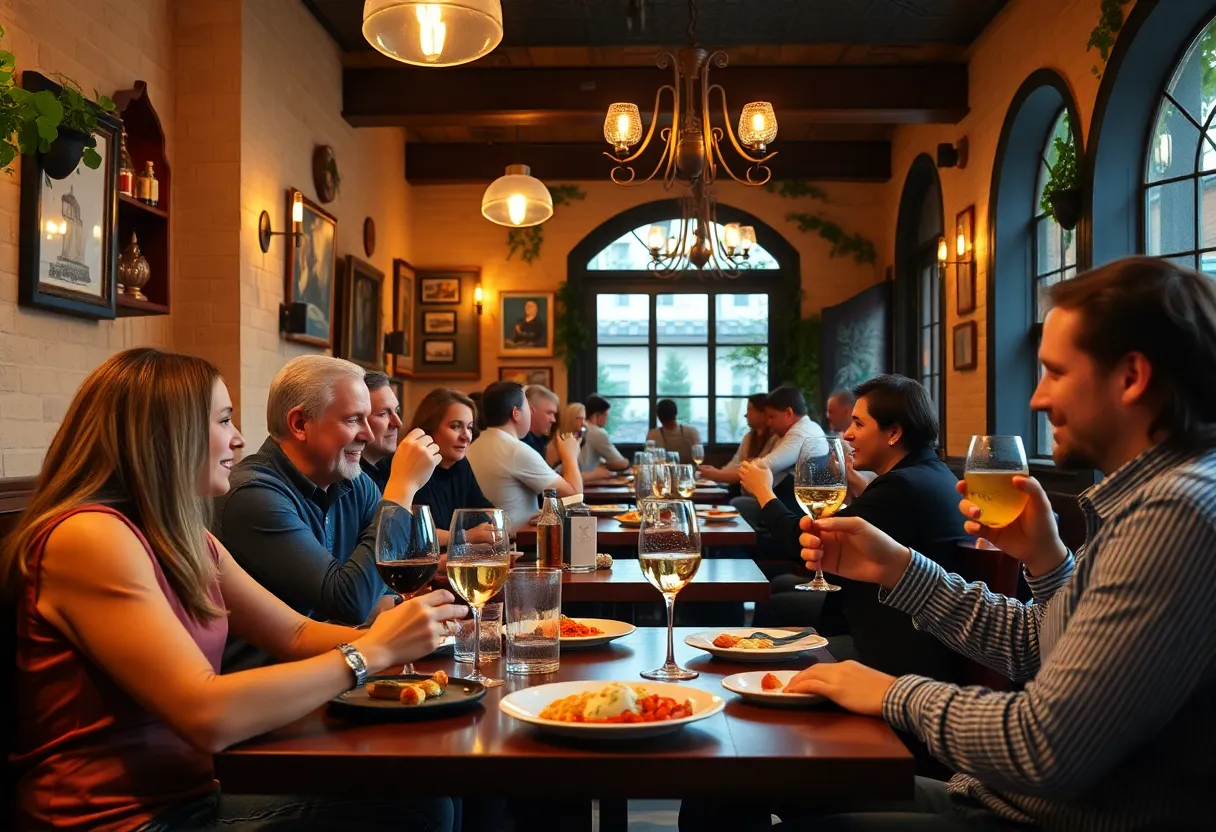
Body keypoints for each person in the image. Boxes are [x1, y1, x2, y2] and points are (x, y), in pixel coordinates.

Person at [737, 257, 1216, 829]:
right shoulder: (1156, 496)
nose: (1037, 399)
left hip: (1041, 817)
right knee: (737, 779)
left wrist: (890, 692)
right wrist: (906, 569)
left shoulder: (1176, 511)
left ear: (1132, 377)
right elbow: (1039, 647)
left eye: (1056, 372)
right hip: (996, 798)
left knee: (740, 782)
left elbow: (1046, 747)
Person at [4, 347, 463, 832]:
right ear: (165, 435)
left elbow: (295, 633)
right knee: (417, 806)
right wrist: (369, 653)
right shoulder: (89, 537)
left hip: (194, 793)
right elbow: (206, 714)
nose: (239, 439)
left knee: (434, 788)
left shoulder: (185, 535)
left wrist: (407, 636)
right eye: (224, 420)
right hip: (120, 818)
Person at [213, 355, 442, 671]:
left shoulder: (354, 481)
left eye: (367, 418)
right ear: (299, 424)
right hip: (270, 691)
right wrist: (402, 488)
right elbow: (350, 601)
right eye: (352, 420)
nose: (369, 434)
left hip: (340, 670)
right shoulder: (251, 495)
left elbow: (383, 587)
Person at [744, 375, 968, 685]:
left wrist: (764, 492)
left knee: (771, 627)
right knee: (782, 588)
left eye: (859, 424)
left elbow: (806, 544)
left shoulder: (900, 487)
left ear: (893, 433)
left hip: (892, 663)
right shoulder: (934, 474)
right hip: (922, 646)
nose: (847, 435)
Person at [466, 381, 583, 534]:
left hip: (488, 541)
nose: (531, 413)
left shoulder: (473, 446)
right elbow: (575, 498)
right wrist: (570, 456)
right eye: (528, 407)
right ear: (516, 413)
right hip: (516, 545)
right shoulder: (515, 450)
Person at [727, 385, 826, 529]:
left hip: (798, 511)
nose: (768, 423)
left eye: (772, 417)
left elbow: (765, 465)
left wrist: (749, 465)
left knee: (738, 506)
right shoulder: (800, 429)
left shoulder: (801, 433)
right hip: (794, 504)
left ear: (788, 413)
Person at [408, 388, 494, 545]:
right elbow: (416, 534)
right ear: (429, 429)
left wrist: (487, 528)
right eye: (455, 426)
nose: (466, 436)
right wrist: (468, 536)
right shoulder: (411, 466)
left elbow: (483, 514)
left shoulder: (460, 465)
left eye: (469, 427)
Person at [697, 392, 776, 487]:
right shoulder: (749, 437)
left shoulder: (775, 438)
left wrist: (717, 475)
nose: (746, 415)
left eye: (750, 410)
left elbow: (753, 470)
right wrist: (715, 472)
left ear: (764, 412)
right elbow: (736, 463)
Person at [360, 371, 402, 492]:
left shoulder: (391, 467)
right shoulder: (346, 480)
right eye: (383, 414)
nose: (398, 423)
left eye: (396, 411)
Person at [581, 394, 629, 480]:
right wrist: (627, 462)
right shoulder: (597, 432)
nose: (607, 420)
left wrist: (603, 464)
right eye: (606, 415)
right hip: (589, 482)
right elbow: (621, 463)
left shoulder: (582, 427)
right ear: (598, 415)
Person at [646, 399, 702, 463]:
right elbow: (699, 456)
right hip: (690, 471)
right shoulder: (692, 432)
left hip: (663, 472)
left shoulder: (653, 435)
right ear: (676, 413)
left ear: (658, 416)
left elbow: (649, 460)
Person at [545, 402, 587, 469]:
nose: (583, 423)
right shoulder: (556, 443)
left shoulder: (580, 439)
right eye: (579, 418)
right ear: (570, 419)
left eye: (584, 419)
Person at [521, 384, 559, 455]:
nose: (553, 420)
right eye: (549, 413)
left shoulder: (544, 441)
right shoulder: (523, 445)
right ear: (531, 411)